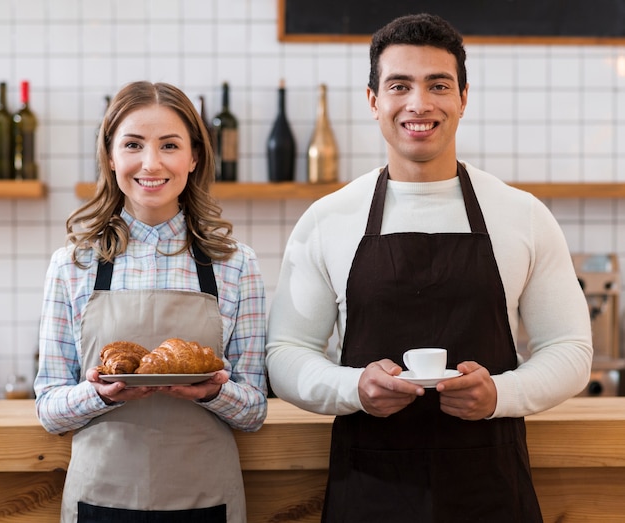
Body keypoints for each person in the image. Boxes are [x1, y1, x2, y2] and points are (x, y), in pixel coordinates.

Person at [266, 13, 592, 523]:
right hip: (368, 490)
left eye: (438, 85)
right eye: (399, 85)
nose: (419, 103)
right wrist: (354, 389)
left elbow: (571, 349)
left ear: (463, 98)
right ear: (374, 101)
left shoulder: (522, 214)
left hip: (490, 489)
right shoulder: (329, 218)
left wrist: (498, 395)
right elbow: (286, 353)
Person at [35, 81, 267, 523]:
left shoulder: (236, 265)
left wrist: (213, 392)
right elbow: (49, 407)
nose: (151, 162)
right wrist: (98, 396)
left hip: (206, 502)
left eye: (170, 145)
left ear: (194, 157)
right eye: (133, 144)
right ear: (110, 156)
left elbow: (254, 409)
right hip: (99, 501)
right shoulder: (73, 264)